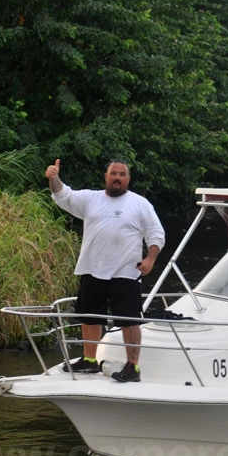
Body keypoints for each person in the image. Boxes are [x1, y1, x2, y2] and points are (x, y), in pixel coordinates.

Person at [45, 157, 165, 383]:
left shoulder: (140, 204)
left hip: (126, 272)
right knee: (90, 317)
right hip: (93, 268)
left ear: (128, 179)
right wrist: (54, 178)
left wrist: (150, 259)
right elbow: (63, 195)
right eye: (113, 173)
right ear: (106, 177)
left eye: (122, 174)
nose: (117, 177)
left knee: (129, 321)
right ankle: (89, 361)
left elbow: (156, 234)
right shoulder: (91, 199)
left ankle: (132, 367)